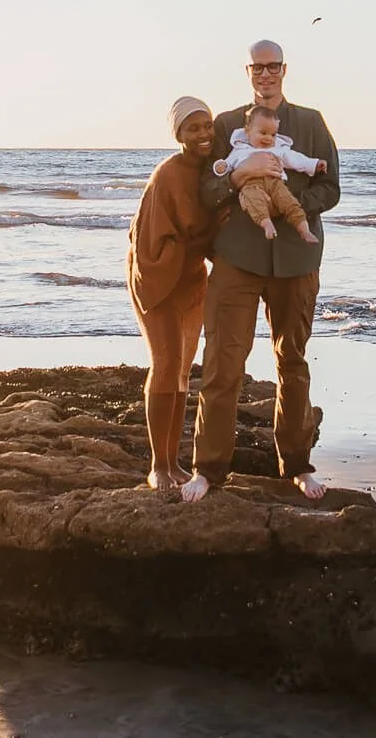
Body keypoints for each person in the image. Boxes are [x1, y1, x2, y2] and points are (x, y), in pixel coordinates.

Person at [182, 39, 340, 503]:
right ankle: (208, 469)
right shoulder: (229, 125)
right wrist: (239, 176)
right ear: (247, 72)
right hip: (237, 259)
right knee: (221, 364)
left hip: (297, 260)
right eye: (258, 68)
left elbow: (331, 188)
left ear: (285, 70)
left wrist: (289, 205)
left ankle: (296, 465)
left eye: (273, 67)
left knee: (292, 362)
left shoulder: (310, 123)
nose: (266, 75)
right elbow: (205, 191)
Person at [127, 95, 220, 490]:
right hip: (156, 276)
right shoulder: (166, 174)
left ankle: (176, 462)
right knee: (164, 362)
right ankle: (158, 466)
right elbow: (148, 239)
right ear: (178, 134)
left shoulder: (214, 171)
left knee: (182, 369)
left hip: (191, 278)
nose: (202, 134)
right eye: (192, 128)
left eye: (206, 126)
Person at [213, 103, 324, 243]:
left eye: (273, 135)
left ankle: (304, 230)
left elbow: (296, 160)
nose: (268, 138)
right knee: (253, 199)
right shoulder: (239, 150)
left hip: (275, 182)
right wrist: (220, 167)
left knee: (289, 202)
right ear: (247, 131)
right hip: (251, 185)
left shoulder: (278, 149)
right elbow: (227, 165)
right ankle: (266, 223)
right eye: (263, 133)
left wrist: (314, 164)